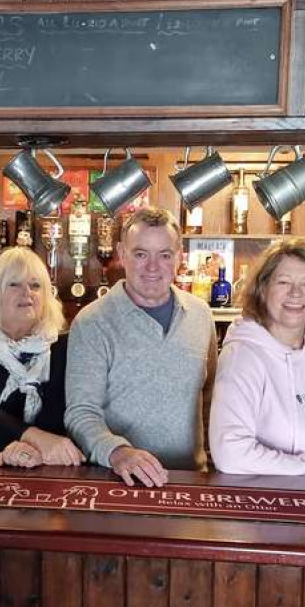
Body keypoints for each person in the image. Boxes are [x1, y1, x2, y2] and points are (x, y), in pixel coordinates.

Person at [65, 207, 217, 487]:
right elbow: (81, 412)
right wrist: (118, 452)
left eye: (164, 255)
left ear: (179, 257)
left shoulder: (200, 314)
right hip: (120, 482)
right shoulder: (92, 322)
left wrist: (212, 465)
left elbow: (210, 400)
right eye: (140, 254)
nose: (152, 266)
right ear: (122, 254)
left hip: (191, 482)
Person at [209, 238, 305, 477]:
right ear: (263, 288)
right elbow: (229, 452)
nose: (295, 294)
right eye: (284, 282)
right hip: (273, 503)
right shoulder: (243, 356)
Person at [0, 247, 84, 468]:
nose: (27, 293)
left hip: (47, 466)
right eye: (14, 284)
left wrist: (32, 449)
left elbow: (71, 411)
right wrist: (32, 438)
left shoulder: (63, 346)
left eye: (35, 285)